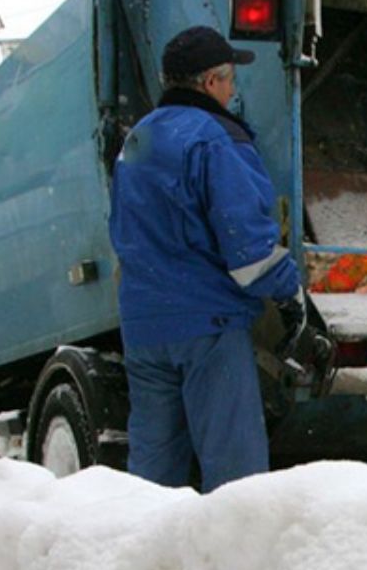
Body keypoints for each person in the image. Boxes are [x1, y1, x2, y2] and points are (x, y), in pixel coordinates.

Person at [109, 25, 328, 492]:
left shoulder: (137, 143)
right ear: (211, 81)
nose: (233, 89)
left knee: (153, 473)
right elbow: (247, 249)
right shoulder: (215, 139)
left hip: (144, 327)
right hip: (206, 325)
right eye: (229, 79)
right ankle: (236, 565)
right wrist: (293, 299)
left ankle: (147, 560)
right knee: (235, 476)